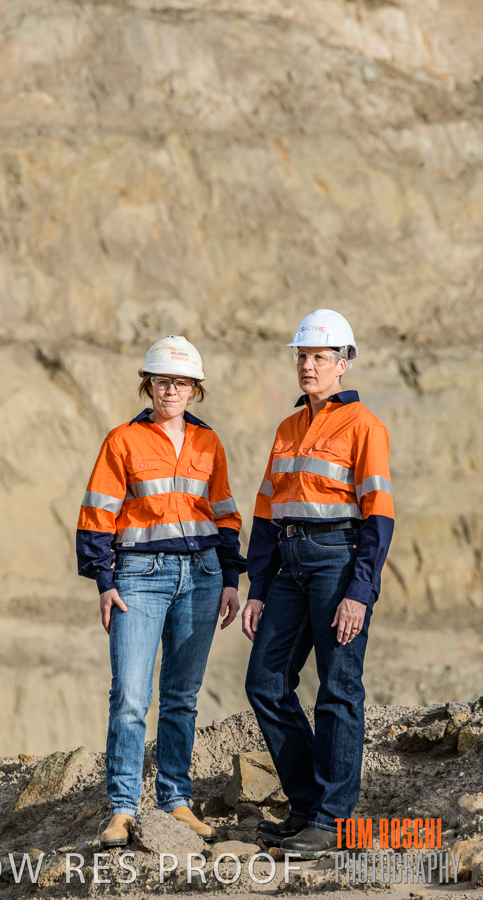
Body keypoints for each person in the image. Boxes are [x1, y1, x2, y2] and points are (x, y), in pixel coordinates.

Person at [77, 335, 245, 848]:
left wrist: (231, 579)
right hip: (138, 578)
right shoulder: (122, 440)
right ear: (148, 384)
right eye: (162, 381)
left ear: (195, 389)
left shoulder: (208, 442)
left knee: (181, 698)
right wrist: (104, 582)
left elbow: (225, 513)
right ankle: (123, 808)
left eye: (181, 382)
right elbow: (97, 513)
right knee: (130, 696)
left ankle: (175, 799)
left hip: (203, 576)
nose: (171, 390)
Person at [242, 309, 394, 859]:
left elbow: (379, 516)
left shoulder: (364, 426)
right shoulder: (287, 429)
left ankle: (332, 820)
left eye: (319, 357)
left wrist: (359, 591)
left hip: (338, 560)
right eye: (302, 356)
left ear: (342, 363)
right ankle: (307, 806)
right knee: (264, 683)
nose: (308, 365)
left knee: (338, 688)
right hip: (288, 564)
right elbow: (266, 513)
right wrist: (258, 587)